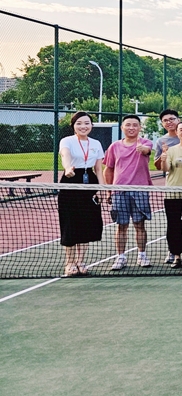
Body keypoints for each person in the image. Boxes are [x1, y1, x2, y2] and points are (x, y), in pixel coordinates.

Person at [103, 115, 154, 271]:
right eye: (128, 125)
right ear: (122, 128)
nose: (131, 128)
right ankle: (121, 257)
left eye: (135, 125)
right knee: (121, 226)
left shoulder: (146, 142)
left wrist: (143, 150)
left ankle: (142, 255)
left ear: (139, 128)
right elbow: (108, 169)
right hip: (119, 191)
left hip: (140, 190)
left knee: (139, 225)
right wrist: (109, 191)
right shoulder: (114, 146)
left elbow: (147, 150)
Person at [57, 111, 104, 276]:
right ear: (73, 126)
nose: (83, 126)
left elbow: (99, 169)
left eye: (86, 123)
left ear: (91, 125)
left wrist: (101, 189)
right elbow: (65, 155)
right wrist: (68, 168)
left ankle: (81, 261)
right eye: (79, 123)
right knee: (70, 223)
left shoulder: (96, 143)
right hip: (70, 180)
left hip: (89, 181)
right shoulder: (67, 141)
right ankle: (69, 263)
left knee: (86, 223)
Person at [162, 120, 182, 268]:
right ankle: (176, 256)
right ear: (176, 132)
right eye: (181, 129)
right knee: (174, 227)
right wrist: (163, 159)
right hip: (173, 194)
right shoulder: (171, 150)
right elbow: (166, 168)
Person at [153, 109, 182, 173]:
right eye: (165, 120)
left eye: (171, 119)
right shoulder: (161, 141)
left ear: (178, 120)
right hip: (174, 176)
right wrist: (164, 154)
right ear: (162, 123)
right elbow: (158, 167)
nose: (168, 122)